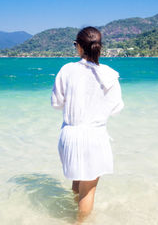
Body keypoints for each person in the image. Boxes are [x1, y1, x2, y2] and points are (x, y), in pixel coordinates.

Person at [51, 26, 124, 222]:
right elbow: (116, 109)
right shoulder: (109, 75)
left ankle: (74, 214)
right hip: (94, 136)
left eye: (75, 45)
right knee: (88, 190)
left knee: (77, 181)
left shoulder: (67, 70)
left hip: (70, 135)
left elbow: (56, 104)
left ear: (80, 47)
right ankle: (79, 222)